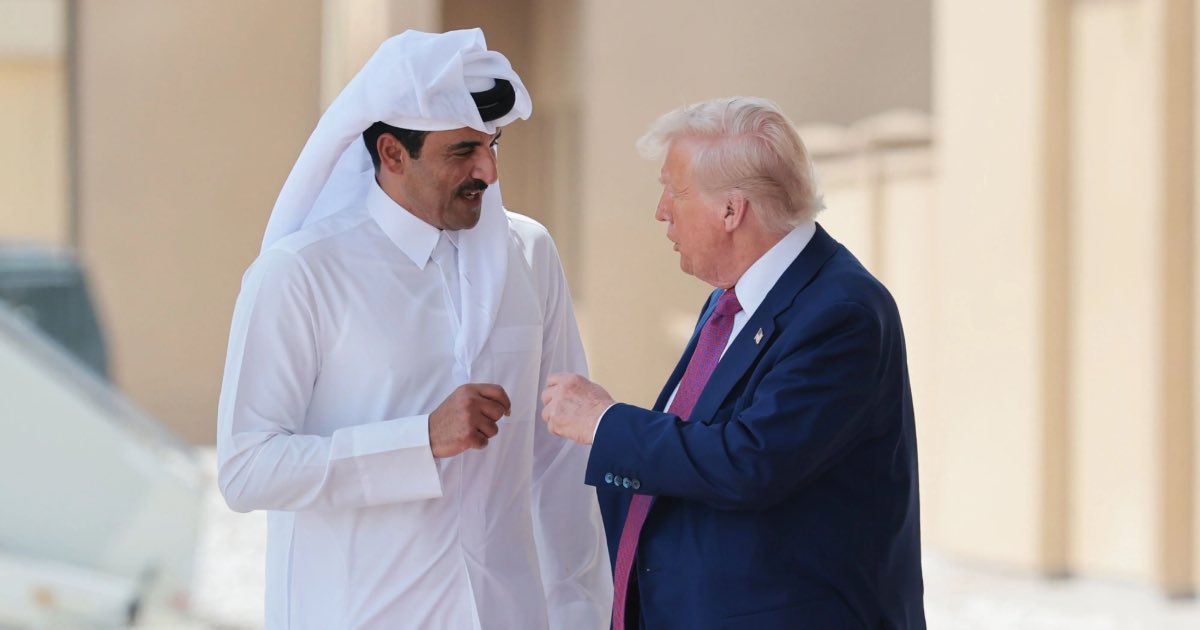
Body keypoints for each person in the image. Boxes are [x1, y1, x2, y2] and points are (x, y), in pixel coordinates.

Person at [216, 29, 611, 630]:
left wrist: (581, 612)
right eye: (462, 151)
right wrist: (418, 441)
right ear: (393, 153)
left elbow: (559, 459)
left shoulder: (528, 254)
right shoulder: (302, 272)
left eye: (491, 144)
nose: (488, 170)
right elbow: (247, 469)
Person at [540, 97, 925, 629]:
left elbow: (751, 461)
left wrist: (605, 423)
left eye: (674, 192)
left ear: (731, 210)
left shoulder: (842, 311)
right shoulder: (735, 298)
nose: (661, 211)